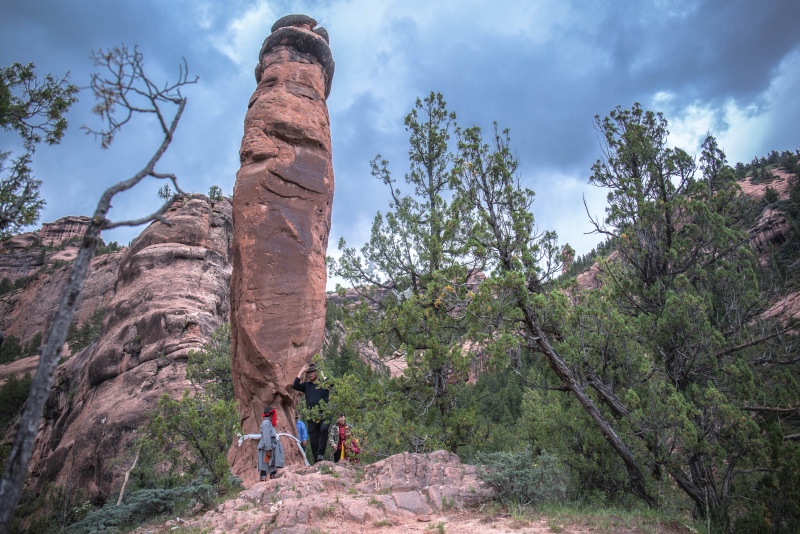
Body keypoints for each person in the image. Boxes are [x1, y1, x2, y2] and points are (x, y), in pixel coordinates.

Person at [292, 362, 329, 463]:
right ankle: (317, 460)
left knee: (324, 429)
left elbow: (331, 384)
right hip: (312, 414)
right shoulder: (307, 385)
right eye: (309, 372)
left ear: (317, 372)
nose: (310, 374)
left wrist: (321, 373)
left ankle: (320, 453)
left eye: (312, 371)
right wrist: (302, 371)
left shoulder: (324, 383)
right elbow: (295, 385)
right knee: (313, 439)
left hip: (325, 412)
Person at [257, 406, 284, 480]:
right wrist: (268, 449)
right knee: (265, 465)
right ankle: (263, 485)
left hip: (272, 447)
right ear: (271, 414)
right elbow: (266, 436)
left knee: (272, 466)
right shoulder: (266, 423)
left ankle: (272, 483)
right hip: (267, 448)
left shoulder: (269, 423)